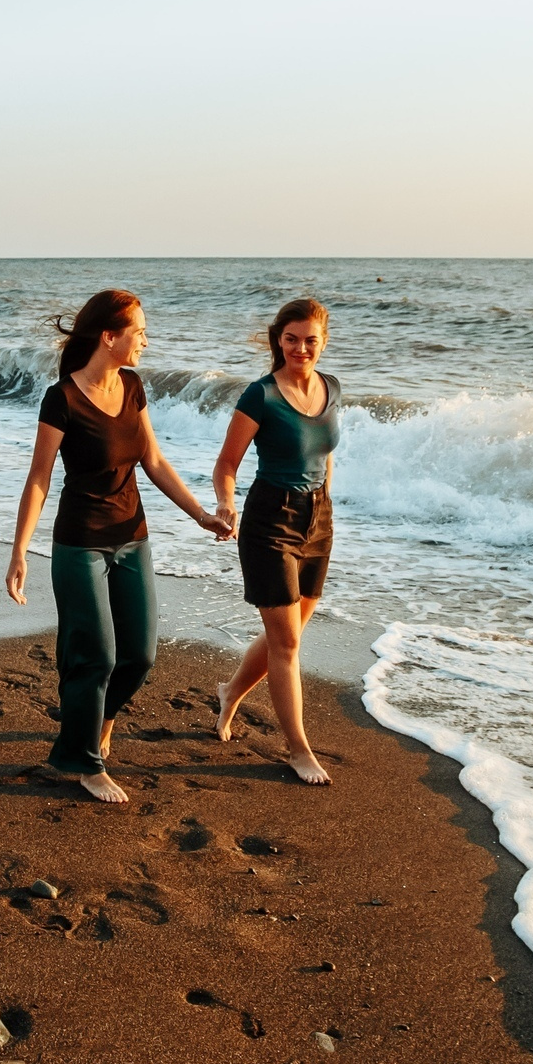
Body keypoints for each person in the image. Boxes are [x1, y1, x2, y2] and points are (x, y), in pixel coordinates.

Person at [6, 290, 230, 802]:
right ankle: (87, 763)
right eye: (139, 333)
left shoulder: (132, 385)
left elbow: (152, 458)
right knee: (96, 656)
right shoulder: (60, 398)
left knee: (141, 654)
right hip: (80, 542)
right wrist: (20, 551)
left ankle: (95, 726)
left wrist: (201, 514)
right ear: (109, 337)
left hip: (133, 536)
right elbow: (39, 479)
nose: (146, 342)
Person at [212, 298, 340, 784]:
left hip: (318, 519)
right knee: (286, 641)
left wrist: (326, 509)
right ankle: (298, 749)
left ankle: (230, 693)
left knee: (288, 633)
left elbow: (325, 454)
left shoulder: (333, 389)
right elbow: (227, 464)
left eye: (310, 340)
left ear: (323, 341)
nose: (300, 348)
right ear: (277, 340)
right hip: (270, 520)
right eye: (291, 339)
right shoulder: (260, 395)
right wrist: (227, 505)